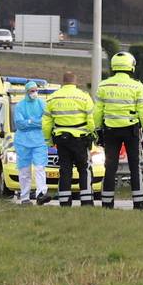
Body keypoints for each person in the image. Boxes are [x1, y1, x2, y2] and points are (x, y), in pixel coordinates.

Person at [93, 51, 143, 210]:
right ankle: (139, 203)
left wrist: (98, 131)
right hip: (131, 130)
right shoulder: (136, 85)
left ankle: (107, 203)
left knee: (110, 167)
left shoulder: (104, 85)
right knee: (135, 167)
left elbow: (97, 111)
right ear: (130, 66)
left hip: (110, 130)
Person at [43, 70, 96, 207]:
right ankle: (86, 201)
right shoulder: (84, 97)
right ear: (75, 82)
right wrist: (93, 134)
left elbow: (46, 123)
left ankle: (64, 202)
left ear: (63, 82)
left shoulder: (53, 98)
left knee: (65, 170)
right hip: (80, 140)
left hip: (62, 140)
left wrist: (48, 140)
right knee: (84, 170)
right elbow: (91, 120)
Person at [13, 80, 49, 204]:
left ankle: (41, 194)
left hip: (39, 141)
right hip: (23, 142)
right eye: (32, 91)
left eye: (36, 90)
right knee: (24, 171)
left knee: (40, 167)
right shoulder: (20, 106)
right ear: (27, 92)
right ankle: (25, 197)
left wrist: (29, 121)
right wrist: (36, 122)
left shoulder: (42, 104)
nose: (34, 93)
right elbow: (19, 124)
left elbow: (45, 121)